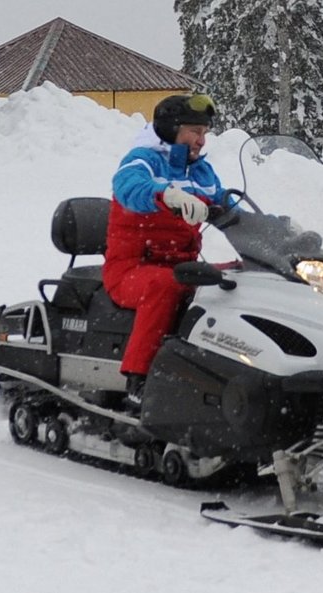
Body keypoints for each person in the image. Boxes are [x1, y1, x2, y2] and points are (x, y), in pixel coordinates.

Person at [103, 94, 223, 413]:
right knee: (164, 287)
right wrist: (164, 196)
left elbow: (227, 203)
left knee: (234, 279)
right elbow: (128, 189)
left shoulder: (201, 171)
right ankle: (140, 379)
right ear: (172, 129)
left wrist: (272, 227)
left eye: (204, 132)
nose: (202, 139)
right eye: (195, 131)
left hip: (183, 266)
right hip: (131, 269)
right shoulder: (141, 160)